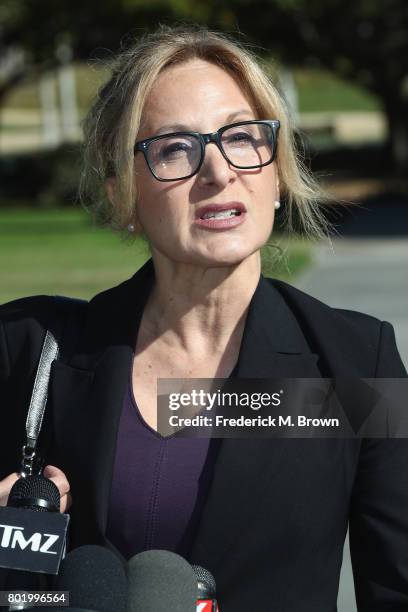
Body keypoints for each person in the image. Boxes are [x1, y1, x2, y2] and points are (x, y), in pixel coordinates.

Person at [1, 25, 407, 611]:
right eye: (174, 148)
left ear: (275, 174)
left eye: (242, 138)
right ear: (123, 193)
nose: (218, 172)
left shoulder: (353, 362)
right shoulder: (33, 354)